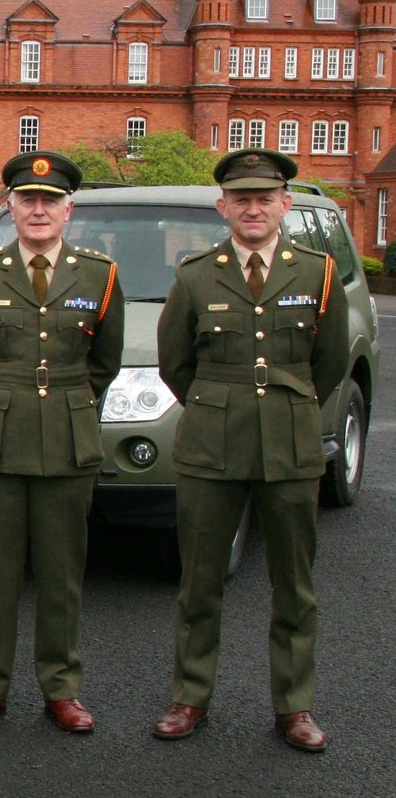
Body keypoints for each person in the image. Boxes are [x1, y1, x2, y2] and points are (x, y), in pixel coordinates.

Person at [152, 148, 349, 753]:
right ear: (223, 208)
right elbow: (175, 364)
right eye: (242, 200)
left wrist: (284, 406)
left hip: (289, 444)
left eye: (265, 199)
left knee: (294, 584)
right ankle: (190, 698)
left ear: (285, 205)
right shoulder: (195, 275)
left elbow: (331, 361)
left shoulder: (317, 273)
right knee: (200, 582)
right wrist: (221, 402)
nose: (254, 209)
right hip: (211, 441)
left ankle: (295, 707)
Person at [0, 151, 124, 734]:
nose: (38, 210)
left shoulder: (99, 275)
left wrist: (67, 399)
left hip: (68, 440)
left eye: (50, 201)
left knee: (61, 572)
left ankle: (61, 687)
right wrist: (2, 394)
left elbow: (105, 362)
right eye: (27, 200)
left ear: (68, 210)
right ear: (12, 208)